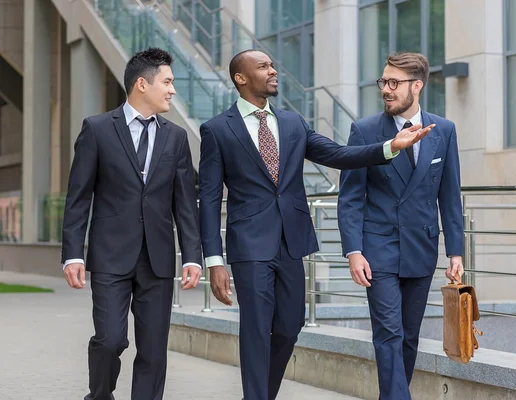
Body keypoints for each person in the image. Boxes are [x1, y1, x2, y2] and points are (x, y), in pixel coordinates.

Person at [197, 49, 434, 400]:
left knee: (290, 327)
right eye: (263, 66)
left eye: (273, 64)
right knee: (257, 329)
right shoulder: (218, 129)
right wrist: (214, 260)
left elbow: (338, 155)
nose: (273, 70)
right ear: (241, 78)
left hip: (292, 242)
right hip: (249, 244)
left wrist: (388, 147)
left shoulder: (293, 123)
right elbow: (211, 197)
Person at [61, 47, 202, 400]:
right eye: (167, 82)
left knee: (153, 351)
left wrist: (192, 256)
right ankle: (99, 395)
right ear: (142, 83)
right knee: (110, 340)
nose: (172, 90)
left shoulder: (176, 137)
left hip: (157, 258)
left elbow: (184, 204)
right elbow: (79, 197)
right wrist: (72, 254)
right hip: (110, 256)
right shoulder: (96, 129)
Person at [337, 52, 464, 400]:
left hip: (421, 249)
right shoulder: (364, 130)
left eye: (394, 83)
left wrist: (455, 251)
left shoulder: (444, 130)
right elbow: (349, 196)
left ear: (417, 86)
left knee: (408, 336)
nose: (386, 90)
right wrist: (354, 251)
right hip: (378, 249)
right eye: (383, 82)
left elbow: (450, 197)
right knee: (388, 333)